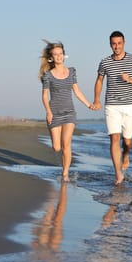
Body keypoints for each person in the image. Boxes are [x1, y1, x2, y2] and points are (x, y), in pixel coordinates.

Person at [93, 31, 132, 185]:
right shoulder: (105, 62)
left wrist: (130, 79)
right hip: (112, 105)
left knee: (128, 142)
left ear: (124, 43)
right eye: (113, 43)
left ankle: (126, 154)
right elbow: (99, 81)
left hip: (130, 105)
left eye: (119, 43)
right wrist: (97, 100)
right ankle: (118, 174)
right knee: (114, 138)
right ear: (110, 44)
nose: (116, 46)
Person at [39, 40, 94, 181]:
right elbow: (45, 95)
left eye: (60, 53)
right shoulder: (48, 75)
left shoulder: (72, 72)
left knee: (66, 144)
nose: (59, 56)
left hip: (70, 113)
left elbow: (77, 91)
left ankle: (65, 174)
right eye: (55, 54)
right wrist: (48, 112)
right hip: (54, 113)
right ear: (51, 58)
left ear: (64, 55)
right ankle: (64, 170)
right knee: (57, 147)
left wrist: (89, 104)